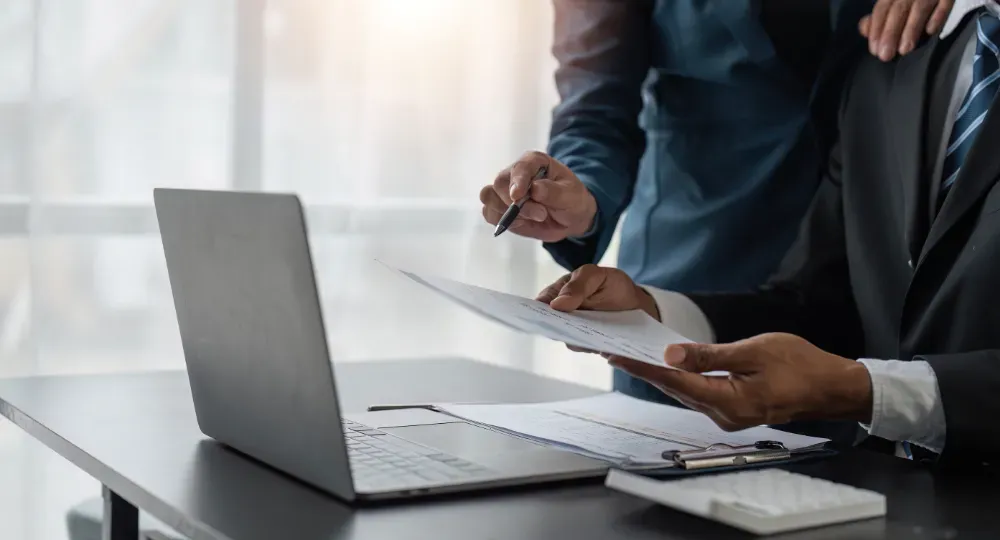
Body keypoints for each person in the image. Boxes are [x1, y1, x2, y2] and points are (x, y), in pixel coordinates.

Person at [534, 1, 1000, 465]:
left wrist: (863, 389)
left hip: (882, 337)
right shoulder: (884, 87)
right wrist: (654, 308)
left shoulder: (908, 63)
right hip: (716, 270)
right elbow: (595, 103)